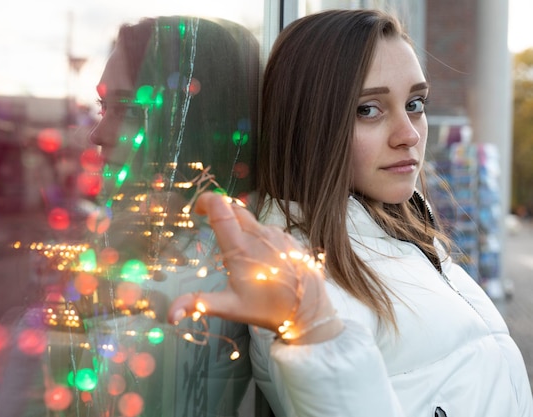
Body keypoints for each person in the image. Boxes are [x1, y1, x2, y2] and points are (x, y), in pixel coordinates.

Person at [168, 9, 533, 417]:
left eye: (415, 103)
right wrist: (316, 332)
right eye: (368, 110)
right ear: (310, 123)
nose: (409, 134)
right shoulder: (302, 270)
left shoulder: (396, 221)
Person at [0, 16, 259, 417]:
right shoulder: (132, 242)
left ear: (192, 123)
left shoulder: (210, 274)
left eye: (127, 109)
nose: (96, 134)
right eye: (102, 106)